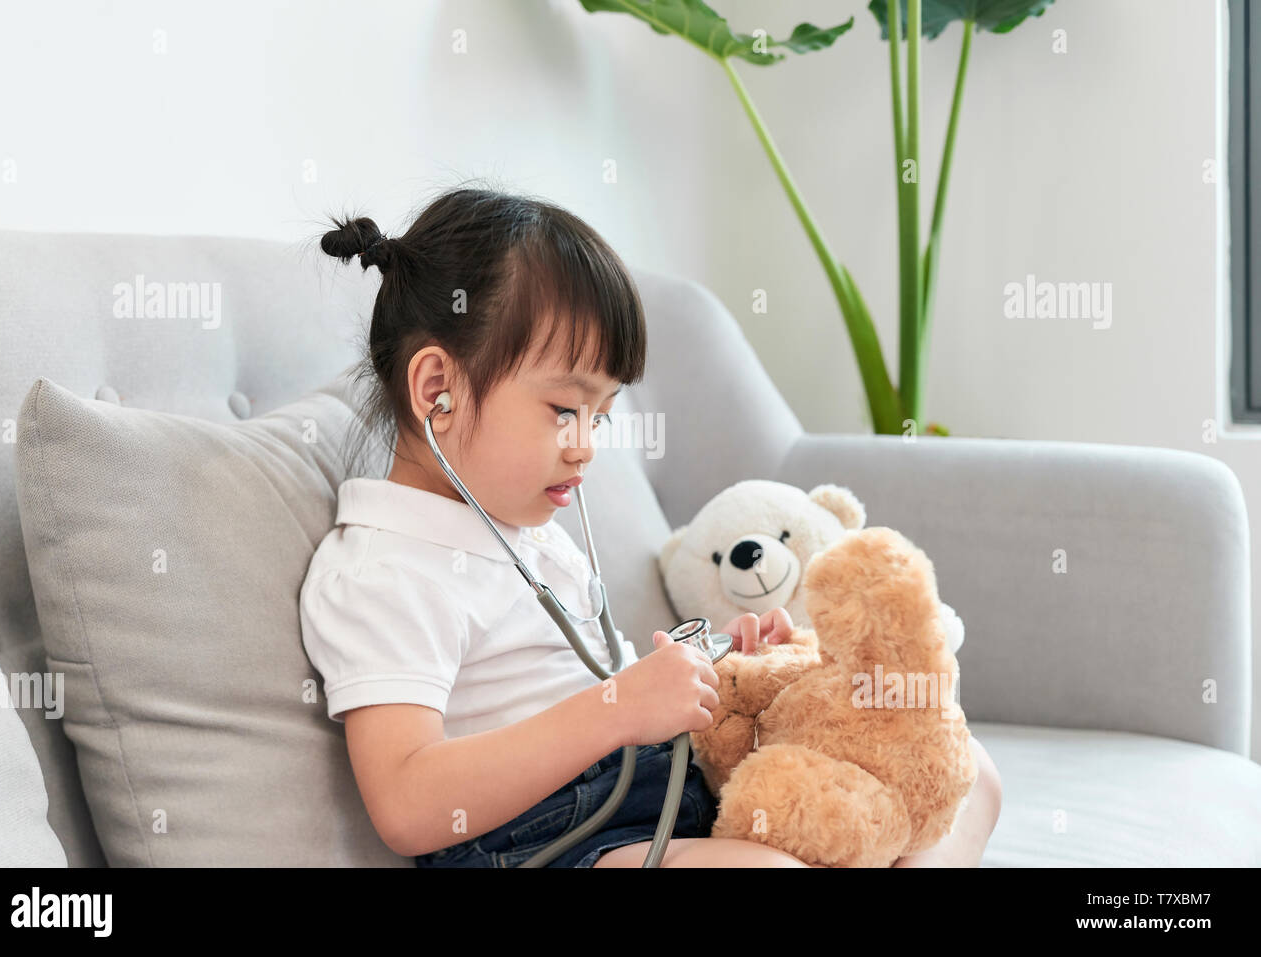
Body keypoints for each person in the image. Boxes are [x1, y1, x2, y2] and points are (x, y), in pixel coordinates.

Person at [299, 184, 1001, 868]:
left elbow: (612, 685)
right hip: (557, 843)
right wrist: (618, 707)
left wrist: (726, 673)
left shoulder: (524, 527)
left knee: (968, 773)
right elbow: (407, 802)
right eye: (564, 410)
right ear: (435, 391)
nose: (587, 445)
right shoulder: (383, 571)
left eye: (600, 417)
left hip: (662, 787)